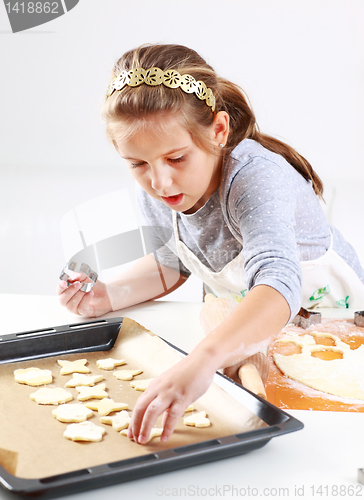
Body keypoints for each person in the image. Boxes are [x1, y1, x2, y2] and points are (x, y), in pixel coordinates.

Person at [57, 43, 364, 444]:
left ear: (218, 131)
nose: (159, 182)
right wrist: (109, 296)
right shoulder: (156, 189)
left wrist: (202, 359)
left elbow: (278, 279)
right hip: (249, 331)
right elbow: (175, 263)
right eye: (138, 164)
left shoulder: (255, 179)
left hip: (331, 334)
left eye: (177, 159)